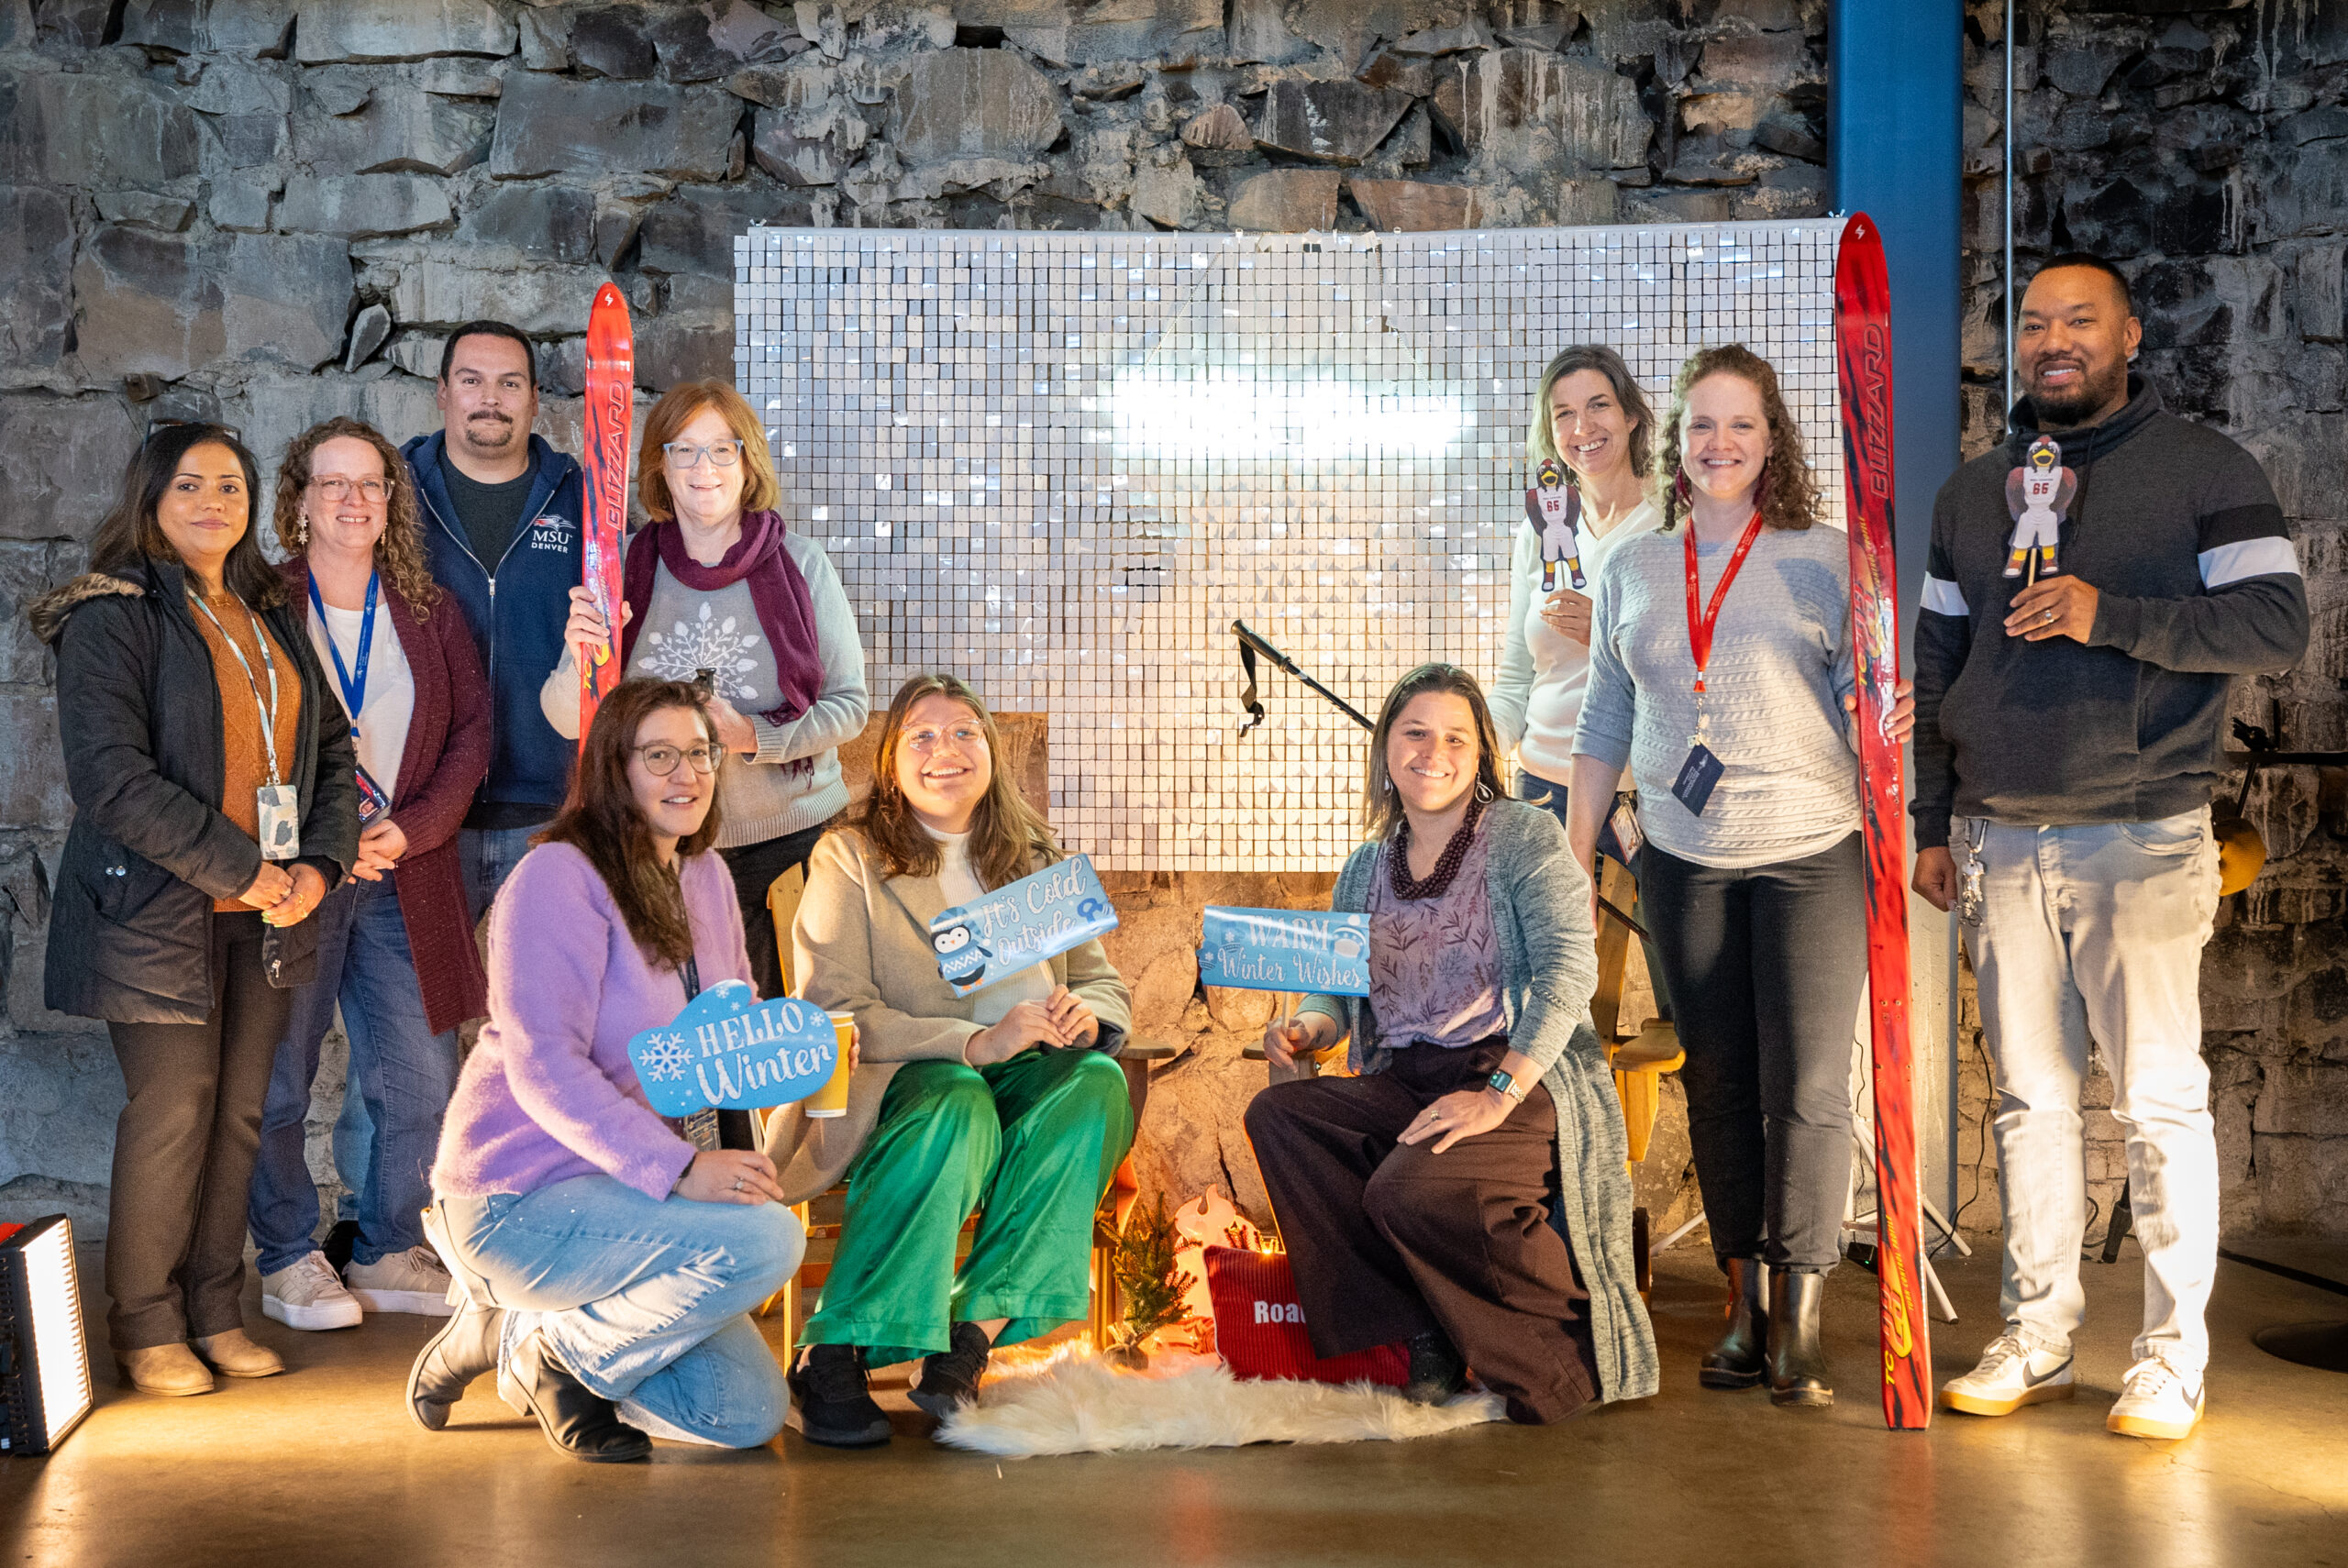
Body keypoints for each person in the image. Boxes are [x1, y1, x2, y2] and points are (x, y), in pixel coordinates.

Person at [1912, 255, 2308, 1441]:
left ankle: (2170, 1360)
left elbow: (2278, 623)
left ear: (2130, 333)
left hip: (2141, 831)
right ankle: (2037, 1336)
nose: (2053, 340)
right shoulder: (1973, 492)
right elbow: (1936, 665)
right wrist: (1934, 821)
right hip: (1999, 836)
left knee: (2156, 1103)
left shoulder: (2203, 470)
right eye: (2034, 322)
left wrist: (2110, 615)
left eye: (2079, 318)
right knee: (2030, 1102)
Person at [1567, 345, 1912, 1409]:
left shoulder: (1827, 554)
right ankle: (1744, 1303)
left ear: (1773, 442)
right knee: (1716, 1084)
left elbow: (1870, 693)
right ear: (1677, 440)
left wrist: (1892, 715)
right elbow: (1604, 720)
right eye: (1704, 425)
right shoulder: (1631, 565)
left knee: (1804, 1086)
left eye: (1743, 427)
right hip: (1682, 859)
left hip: (1810, 850)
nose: (1721, 444)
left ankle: (1800, 1317)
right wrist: (1571, 858)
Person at [31, 423, 358, 1397]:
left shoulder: (265, 608)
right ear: (150, 498)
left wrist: (319, 867)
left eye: (230, 485)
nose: (213, 502)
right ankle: (144, 1324)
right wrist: (242, 866)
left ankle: (218, 1310)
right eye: (189, 486)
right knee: (175, 1108)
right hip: (154, 912)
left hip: (267, 913)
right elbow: (112, 782)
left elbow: (332, 755)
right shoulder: (113, 613)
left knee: (244, 1115)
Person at [1243, 663, 1657, 1426]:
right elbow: (1335, 990)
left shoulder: (1524, 837)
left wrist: (1498, 1095)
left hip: (1518, 1073)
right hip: (1405, 1072)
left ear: (1480, 755)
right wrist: (1310, 1028)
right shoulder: (1367, 864)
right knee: (1284, 1120)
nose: (1433, 751)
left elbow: (1570, 973)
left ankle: (1569, 1344)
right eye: (1415, 732)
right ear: (1386, 750)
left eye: (1455, 737)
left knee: (1410, 1188)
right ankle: (1420, 1327)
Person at [417, 679, 803, 1461]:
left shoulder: (706, 877)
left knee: (746, 1415)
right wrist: (681, 1168)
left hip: (624, 1199)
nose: (687, 775)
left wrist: (808, 1052)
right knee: (767, 1241)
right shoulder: (559, 878)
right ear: (613, 768)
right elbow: (543, 1068)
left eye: (699, 754)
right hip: (517, 1197)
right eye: (659, 756)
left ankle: (534, 1330)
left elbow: (727, 1033)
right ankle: (554, 1355)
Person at [767, 673, 1134, 1449]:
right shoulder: (850, 857)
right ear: (892, 759)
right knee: (957, 1098)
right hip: (911, 1084)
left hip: (1029, 1075)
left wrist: (1086, 1015)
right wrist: (971, 1043)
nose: (947, 750)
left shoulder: (1035, 855)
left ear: (991, 752)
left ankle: (972, 1338)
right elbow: (836, 1008)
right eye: (922, 736)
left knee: (1099, 1082)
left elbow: (1102, 981)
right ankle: (833, 1350)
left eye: (965, 731)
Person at [247, 418, 492, 1335]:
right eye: (333, 483)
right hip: (295, 880)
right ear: (298, 500)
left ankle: (391, 1246)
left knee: (420, 1077)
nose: (354, 501)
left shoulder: (426, 611)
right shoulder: (259, 600)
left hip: (401, 873)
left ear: (392, 502)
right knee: (277, 1077)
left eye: (373, 484)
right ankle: (286, 1257)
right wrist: (316, 844)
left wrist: (416, 828)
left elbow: (471, 735)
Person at [546, 379, 869, 1019]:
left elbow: (850, 706)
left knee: (787, 1047)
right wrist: (582, 659)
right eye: (684, 450)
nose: (704, 468)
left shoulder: (801, 566)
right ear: (658, 467)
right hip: (661, 856)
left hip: (791, 849)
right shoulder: (621, 569)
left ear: (748, 463)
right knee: (685, 1049)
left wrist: (752, 735)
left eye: (722, 450)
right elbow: (564, 718)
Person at [1489, 344, 1674, 1042]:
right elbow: (1515, 680)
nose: (1581, 426)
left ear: (1630, 417)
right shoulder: (1539, 535)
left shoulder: (1672, 525)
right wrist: (1468, 738)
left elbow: (1698, 673)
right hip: (1544, 787)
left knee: (1683, 990)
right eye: (1562, 413)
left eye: (1598, 405)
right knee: (1544, 1005)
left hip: (1643, 789)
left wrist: (1608, 634)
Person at [402, 321, 586, 924]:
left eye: (509, 383)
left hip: (548, 811)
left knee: (543, 1013)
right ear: (442, 391)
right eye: (472, 380)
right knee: (418, 1015)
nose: (490, 398)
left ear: (535, 399)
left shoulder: (583, 501)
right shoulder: (392, 495)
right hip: (421, 811)